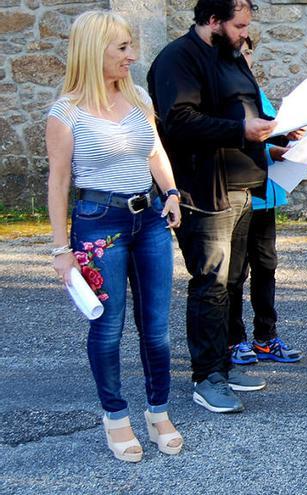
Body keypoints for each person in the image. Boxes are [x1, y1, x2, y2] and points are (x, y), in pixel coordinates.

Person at [47, 10, 184, 462]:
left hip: (149, 222)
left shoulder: (138, 95)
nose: (132, 55)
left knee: (157, 329)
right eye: (122, 48)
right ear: (94, 51)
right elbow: (59, 181)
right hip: (98, 225)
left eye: (130, 46)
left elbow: (155, 152)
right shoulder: (65, 113)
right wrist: (60, 250)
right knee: (107, 330)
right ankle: (116, 417)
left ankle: (159, 412)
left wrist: (171, 192)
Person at [148, 0, 293, 413]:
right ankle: (206, 376)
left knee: (231, 282)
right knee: (210, 283)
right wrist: (242, 129)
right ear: (213, 21)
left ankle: (225, 365)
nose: (246, 33)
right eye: (240, 25)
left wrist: (272, 140)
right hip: (205, 192)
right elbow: (178, 121)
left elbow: (242, 115)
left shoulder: (231, 57)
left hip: (244, 187)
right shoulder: (178, 58)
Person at [227, 37, 304, 366]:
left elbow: (273, 131)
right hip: (238, 197)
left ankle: (266, 338)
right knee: (234, 273)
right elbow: (232, 141)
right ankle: (233, 340)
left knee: (266, 268)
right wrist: (272, 149)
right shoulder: (223, 95)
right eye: (240, 53)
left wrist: (290, 136)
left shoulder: (256, 94)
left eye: (248, 53)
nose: (245, 59)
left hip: (265, 198)